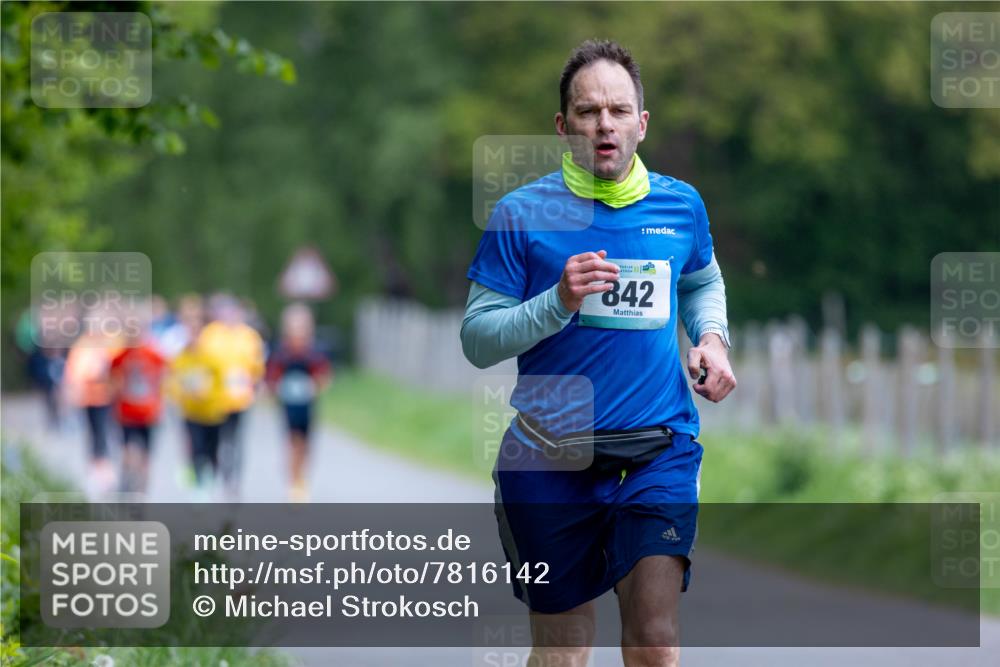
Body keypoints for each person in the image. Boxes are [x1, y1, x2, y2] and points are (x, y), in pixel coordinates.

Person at [461, 40, 736, 667]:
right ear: (563, 126)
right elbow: (477, 340)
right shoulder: (520, 215)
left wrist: (712, 339)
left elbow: (700, 280)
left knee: (655, 639)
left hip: (656, 449)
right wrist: (556, 301)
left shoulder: (680, 205)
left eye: (618, 111)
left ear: (642, 122)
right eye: (587, 112)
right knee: (563, 650)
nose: (604, 125)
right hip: (547, 457)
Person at [197, 294, 265, 498]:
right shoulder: (209, 335)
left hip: (240, 399)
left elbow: (257, 367)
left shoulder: (249, 336)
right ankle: (214, 474)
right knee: (215, 440)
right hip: (214, 399)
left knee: (236, 441)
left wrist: (257, 386)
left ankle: (233, 479)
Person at [266, 303, 331, 502]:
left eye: (302, 326)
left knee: (306, 444)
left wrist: (315, 385)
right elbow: (271, 377)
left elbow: (324, 375)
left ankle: (302, 477)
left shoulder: (314, 352)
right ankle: (294, 482)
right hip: (288, 405)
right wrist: (276, 388)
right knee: (292, 442)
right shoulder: (281, 353)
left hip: (308, 405)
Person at [167, 305, 228, 493]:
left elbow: (221, 383)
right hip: (191, 411)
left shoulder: (212, 357)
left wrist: (210, 396)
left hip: (212, 412)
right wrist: (182, 395)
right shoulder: (181, 358)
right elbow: (173, 383)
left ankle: (211, 479)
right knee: (196, 448)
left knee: (212, 450)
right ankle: (199, 484)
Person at [109, 310, 167, 494]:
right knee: (143, 452)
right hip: (144, 410)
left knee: (130, 448)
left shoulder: (122, 355)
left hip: (133, 410)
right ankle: (140, 486)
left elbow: (113, 381)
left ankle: (132, 482)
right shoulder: (153, 353)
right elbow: (163, 378)